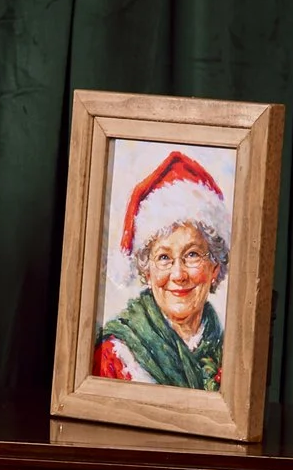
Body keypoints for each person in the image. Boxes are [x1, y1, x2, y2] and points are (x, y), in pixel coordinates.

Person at [93, 150, 232, 390]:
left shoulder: (232, 351)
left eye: (192, 255)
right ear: (147, 273)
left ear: (215, 268)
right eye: (164, 257)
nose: (178, 275)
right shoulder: (114, 356)